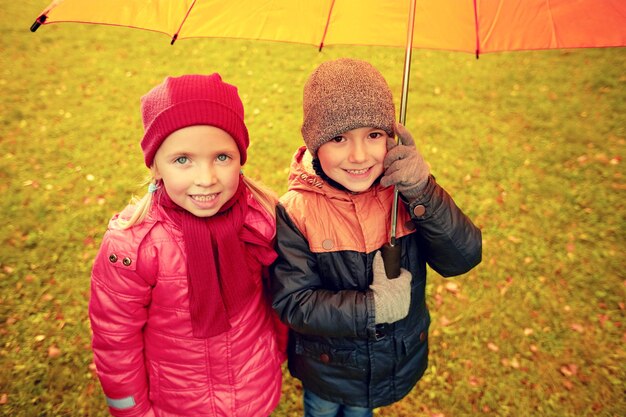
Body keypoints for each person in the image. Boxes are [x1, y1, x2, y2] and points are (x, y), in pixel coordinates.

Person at [271, 58, 482, 417]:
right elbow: (294, 303)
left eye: (374, 135)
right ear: (313, 143)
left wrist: (423, 191)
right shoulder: (296, 211)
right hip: (326, 367)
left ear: (391, 136)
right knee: (321, 410)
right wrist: (372, 308)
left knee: (360, 413)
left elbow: (462, 257)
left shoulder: (408, 195)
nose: (359, 156)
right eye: (338, 138)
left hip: (391, 360)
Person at [89, 74, 286, 417]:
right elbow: (115, 341)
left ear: (241, 158)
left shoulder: (262, 219)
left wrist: (280, 353)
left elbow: (282, 297)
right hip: (178, 403)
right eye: (183, 160)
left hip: (254, 387)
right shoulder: (134, 246)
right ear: (156, 166)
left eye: (222, 157)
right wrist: (131, 411)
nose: (206, 178)